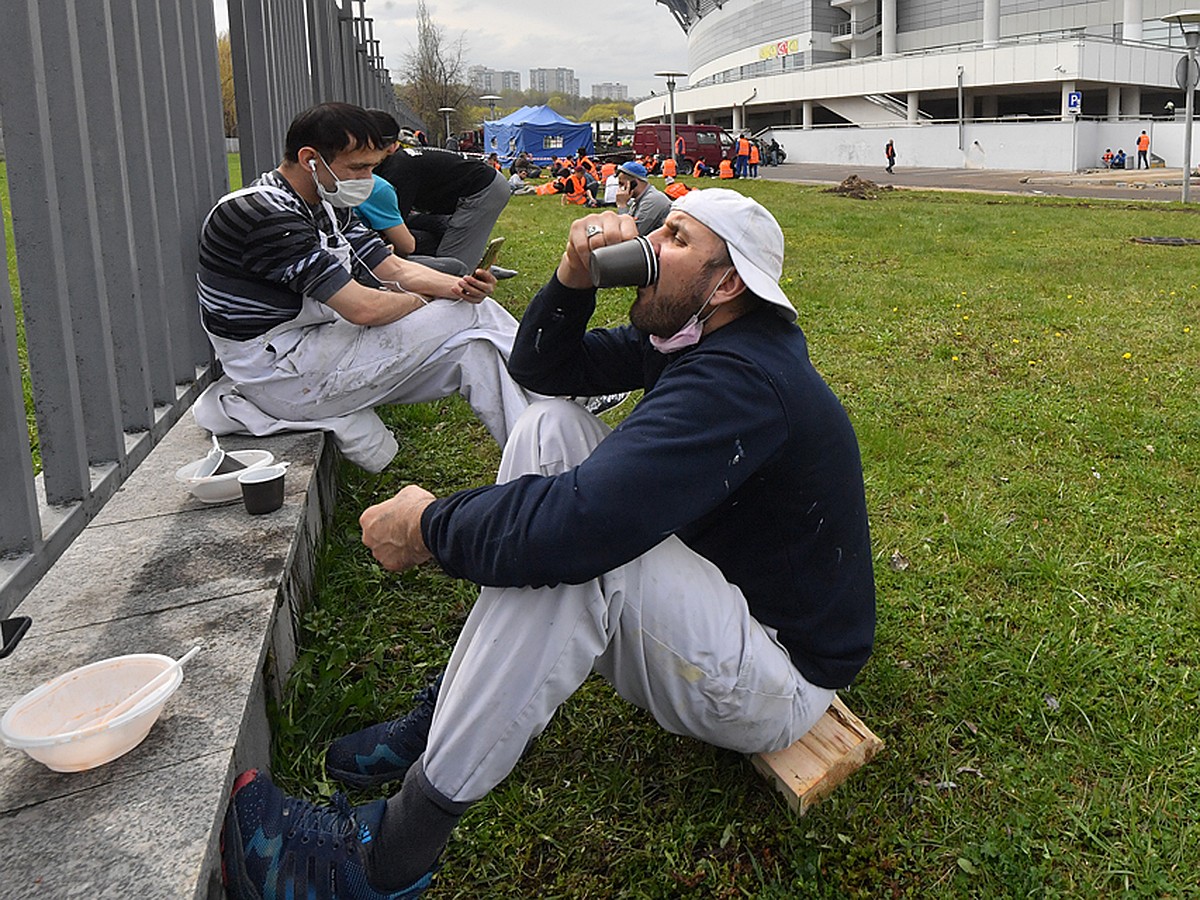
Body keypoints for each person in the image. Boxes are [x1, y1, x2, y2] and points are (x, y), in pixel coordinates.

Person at [220, 188, 876, 900]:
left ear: (726, 284)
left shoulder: (742, 380)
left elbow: (578, 529)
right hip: (723, 613)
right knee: (548, 429)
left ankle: (385, 858)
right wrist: (571, 277)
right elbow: (540, 372)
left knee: (583, 555)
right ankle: (452, 710)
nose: (652, 245)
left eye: (678, 240)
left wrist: (428, 526)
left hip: (776, 679)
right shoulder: (697, 335)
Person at [194, 103, 533, 472]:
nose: (368, 178)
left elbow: (390, 266)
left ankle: (540, 465)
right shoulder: (263, 213)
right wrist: (429, 297)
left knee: (476, 353)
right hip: (281, 374)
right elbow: (363, 309)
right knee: (472, 312)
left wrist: (457, 285)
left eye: (372, 166)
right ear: (310, 159)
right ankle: (559, 380)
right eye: (358, 167)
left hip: (307, 355)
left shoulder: (325, 204)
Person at [373, 144, 511, 276]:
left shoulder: (397, 169)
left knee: (452, 268)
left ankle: (475, 268)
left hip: (482, 190)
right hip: (481, 185)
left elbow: (395, 222)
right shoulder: (401, 160)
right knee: (446, 246)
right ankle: (475, 262)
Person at [615, 160, 671, 235]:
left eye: (621, 184)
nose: (620, 188)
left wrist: (622, 206)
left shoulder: (652, 200)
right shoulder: (640, 199)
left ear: (634, 183)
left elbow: (631, 235)